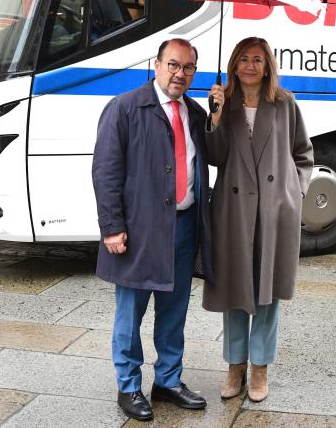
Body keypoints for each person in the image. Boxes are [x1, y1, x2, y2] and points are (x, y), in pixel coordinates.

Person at [92, 38, 212, 421]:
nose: (181, 74)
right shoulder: (125, 108)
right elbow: (105, 172)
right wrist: (112, 227)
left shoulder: (194, 113)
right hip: (139, 231)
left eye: (189, 67)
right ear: (157, 64)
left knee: (174, 310)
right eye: (174, 65)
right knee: (131, 312)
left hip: (184, 225)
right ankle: (128, 386)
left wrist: (220, 114)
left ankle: (168, 380)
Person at [201, 37, 314, 403]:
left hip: (272, 211)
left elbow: (303, 153)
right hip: (233, 212)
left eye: (258, 59)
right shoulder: (224, 103)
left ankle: (260, 368)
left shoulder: (284, 103)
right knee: (236, 290)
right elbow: (216, 158)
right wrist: (214, 117)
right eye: (244, 59)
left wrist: (293, 192)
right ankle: (235, 367)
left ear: (268, 66)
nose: (251, 65)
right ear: (234, 64)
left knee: (266, 293)